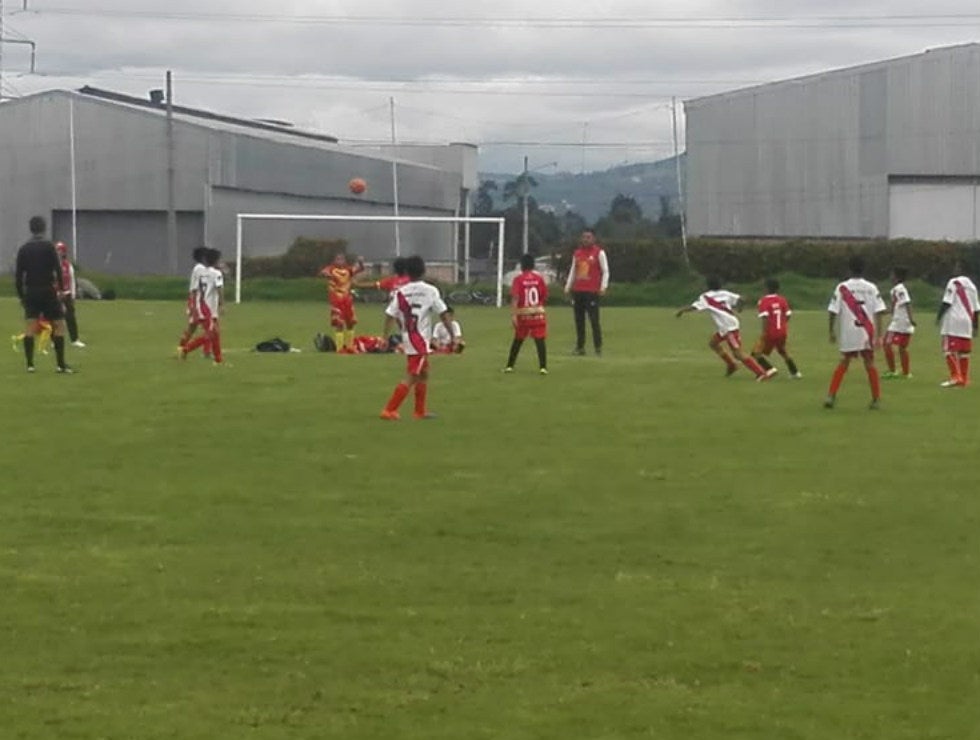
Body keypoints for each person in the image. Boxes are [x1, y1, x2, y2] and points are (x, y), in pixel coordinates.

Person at [379, 255, 455, 420]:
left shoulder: (401, 292)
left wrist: (385, 337)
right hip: (419, 340)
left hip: (408, 337)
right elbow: (443, 313)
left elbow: (390, 315)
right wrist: (453, 335)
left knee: (424, 373)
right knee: (412, 375)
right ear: (423, 271)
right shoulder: (430, 290)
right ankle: (389, 409)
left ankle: (419, 411)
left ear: (407, 272)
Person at [675, 276, 770, 380]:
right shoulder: (725, 293)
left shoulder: (706, 297)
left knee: (738, 354)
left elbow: (695, 307)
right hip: (727, 326)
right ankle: (731, 365)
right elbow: (742, 298)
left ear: (707, 285)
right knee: (713, 343)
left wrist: (682, 310)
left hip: (729, 327)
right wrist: (739, 308)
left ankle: (761, 373)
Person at [824, 256, 887, 409]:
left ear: (849, 269)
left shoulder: (842, 287)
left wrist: (831, 330)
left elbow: (833, 310)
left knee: (844, 362)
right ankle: (876, 399)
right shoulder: (872, 288)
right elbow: (879, 311)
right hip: (867, 332)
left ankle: (831, 396)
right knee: (870, 364)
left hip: (849, 332)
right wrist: (879, 335)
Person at [14, 215, 73, 373]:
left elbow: (19, 275)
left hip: (32, 291)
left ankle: (30, 365)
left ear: (30, 229)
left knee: (30, 326)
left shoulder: (24, 249)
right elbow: (58, 270)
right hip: (47, 290)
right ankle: (60, 365)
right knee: (59, 325)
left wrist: (21, 296)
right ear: (44, 228)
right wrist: (60, 290)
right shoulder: (49, 247)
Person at [564, 229, 609, 356]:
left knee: (594, 320)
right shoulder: (577, 253)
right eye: (584, 237)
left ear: (593, 238)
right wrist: (568, 286)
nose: (586, 239)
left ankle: (598, 347)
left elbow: (605, 270)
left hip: (592, 291)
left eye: (588, 237)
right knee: (579, 320)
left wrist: (603, 286)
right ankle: (580, 347)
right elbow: (573, 270)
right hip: (578, 291)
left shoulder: (599, 253)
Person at [504, 253, 549, 374]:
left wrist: (513, 314)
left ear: (522, 265)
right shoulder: (539, 279)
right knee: (540, 340)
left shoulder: (518, 279)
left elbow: (515, 297)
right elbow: (544, 296)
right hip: (538, 314)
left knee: (518, 340)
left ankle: (510, 366)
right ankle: (543, 367)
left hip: (523, 315)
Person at [936, 265, 980, 388]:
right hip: (967, 321)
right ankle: (964, 379)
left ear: (961, 269)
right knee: (964, 352)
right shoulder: (973, 287)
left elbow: (947, 302)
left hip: (953, 320)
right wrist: (976, 326)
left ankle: (955, 377)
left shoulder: (954, 282)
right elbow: (976, 309)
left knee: (948, 349)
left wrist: (939, 317)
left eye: (956, 267)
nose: (954, 269)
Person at [180, 248, 225, 364]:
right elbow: (220, 289)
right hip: (207, 308)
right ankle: (186, 348)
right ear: (216, 261)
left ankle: (218, 359)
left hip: (204, 305)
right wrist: (222, 305)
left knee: (215, 333)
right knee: (210, 333)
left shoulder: (203, 272)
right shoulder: (216, 273)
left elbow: (196, 289)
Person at [752, 278, 801, 379]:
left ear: (766, 288)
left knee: (756, 352)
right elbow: (788, 315)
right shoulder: (782, 300)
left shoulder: (763, 301)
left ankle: (769, 369)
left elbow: (765, 318)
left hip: (770, 332)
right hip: (782, 331)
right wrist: (782, 324)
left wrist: (764, 333)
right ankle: (795, 372)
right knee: (782, 351)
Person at [319, 252, 365, 354]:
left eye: (342, 259)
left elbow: (360, 269)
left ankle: (350, 346)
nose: (340, 261)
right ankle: (339, 349)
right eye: (338, 259)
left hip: (347, 300)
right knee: (339, 324)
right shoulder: (331, 269)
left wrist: (361, 263)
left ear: (345, 260)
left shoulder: (348, 270)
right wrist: (326, 274)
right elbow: (323, 272)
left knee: (351, 323)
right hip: (336, 300)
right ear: (334, 260)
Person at [882, 267, 916, 379]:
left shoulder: (899, 289)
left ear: (897, 277)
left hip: (899, 323)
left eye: (892, 275)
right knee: (902, 348)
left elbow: (907, 303)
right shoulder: (896, 290)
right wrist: (882, 312)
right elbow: (893, 308)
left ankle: (892, 371)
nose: (890, 277)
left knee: (886, 344)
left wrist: (911, 318)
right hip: (903, 322)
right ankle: (906, 373)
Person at [178, 247, 210, 356]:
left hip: (197, 301)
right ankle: (188, 349)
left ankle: (181, 349)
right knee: (209, 328)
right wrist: (194, 307)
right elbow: (194, 289)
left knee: (192, 328)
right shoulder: (199, 269)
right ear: (203, 257)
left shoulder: (201, 268)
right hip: (196, 302)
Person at [55, 241, 85, 348]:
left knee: (70, 317)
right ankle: (54, 340)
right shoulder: (52, 265)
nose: (58, 253)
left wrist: (73, 295)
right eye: (57, 250)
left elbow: (72, 280)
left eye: (60, 250)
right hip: (56, 295)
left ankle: (75, 339)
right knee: (55, 318)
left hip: (66, 294)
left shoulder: (68, 266)